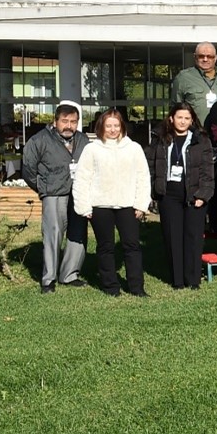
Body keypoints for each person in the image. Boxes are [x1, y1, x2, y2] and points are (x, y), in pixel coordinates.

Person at [72, 109, 151, 297]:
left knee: (132, 245)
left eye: (116, 125)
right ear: (102, 127)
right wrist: (84, 206)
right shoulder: (92, 149)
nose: (113, 129)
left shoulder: (134, 148)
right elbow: (82, 178)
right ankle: (110, 286)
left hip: (128, 205)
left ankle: (136, 287)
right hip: (101, 205)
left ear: (122, 126)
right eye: (109, 126)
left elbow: (143, 177)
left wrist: (141, 204)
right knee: (105, 246)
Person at [23, 102, 89, 293]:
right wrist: (43, 187)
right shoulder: (39, 140)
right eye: (65, 121)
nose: (69, 126)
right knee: (53, 235)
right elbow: (28, 169)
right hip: (54, 194)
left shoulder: (83, 140)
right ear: (55, 121)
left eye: (73, 122)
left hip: (78, 194)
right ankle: (48, 279)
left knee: (78, 234)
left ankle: (69, 274)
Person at [149, 104, 214, 290]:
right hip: (169, 194)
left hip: (194, 194)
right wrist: (154, 191)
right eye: (179, 117)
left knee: (193, 237)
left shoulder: (201, 140)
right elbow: (151, 164)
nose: (183, 121)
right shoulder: (160, 138)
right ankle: (177, 280)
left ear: (192, 120)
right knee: (173, 237)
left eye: (187, 118)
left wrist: (203, 194)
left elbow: (208, 170)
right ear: (171, 118)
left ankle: (193, 279)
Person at [170, 42, 217, 125]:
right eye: (201, 56)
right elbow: (175, 108)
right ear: (195, 57)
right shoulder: (183, 78)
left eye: (209, 56)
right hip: (194, 132)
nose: (205, 59)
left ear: (216, 58)